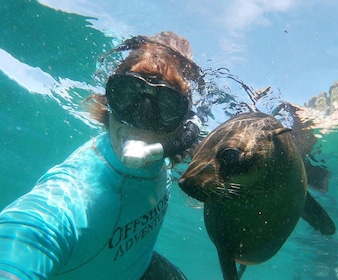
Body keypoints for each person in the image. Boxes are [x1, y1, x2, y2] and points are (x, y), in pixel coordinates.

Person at [0, 31, 202, 280]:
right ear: (109, 100)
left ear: (184, 124)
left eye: (167, 106)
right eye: (127, 94)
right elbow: (30, 233)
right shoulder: (69, 198)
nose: (141, 121)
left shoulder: (165, 157)